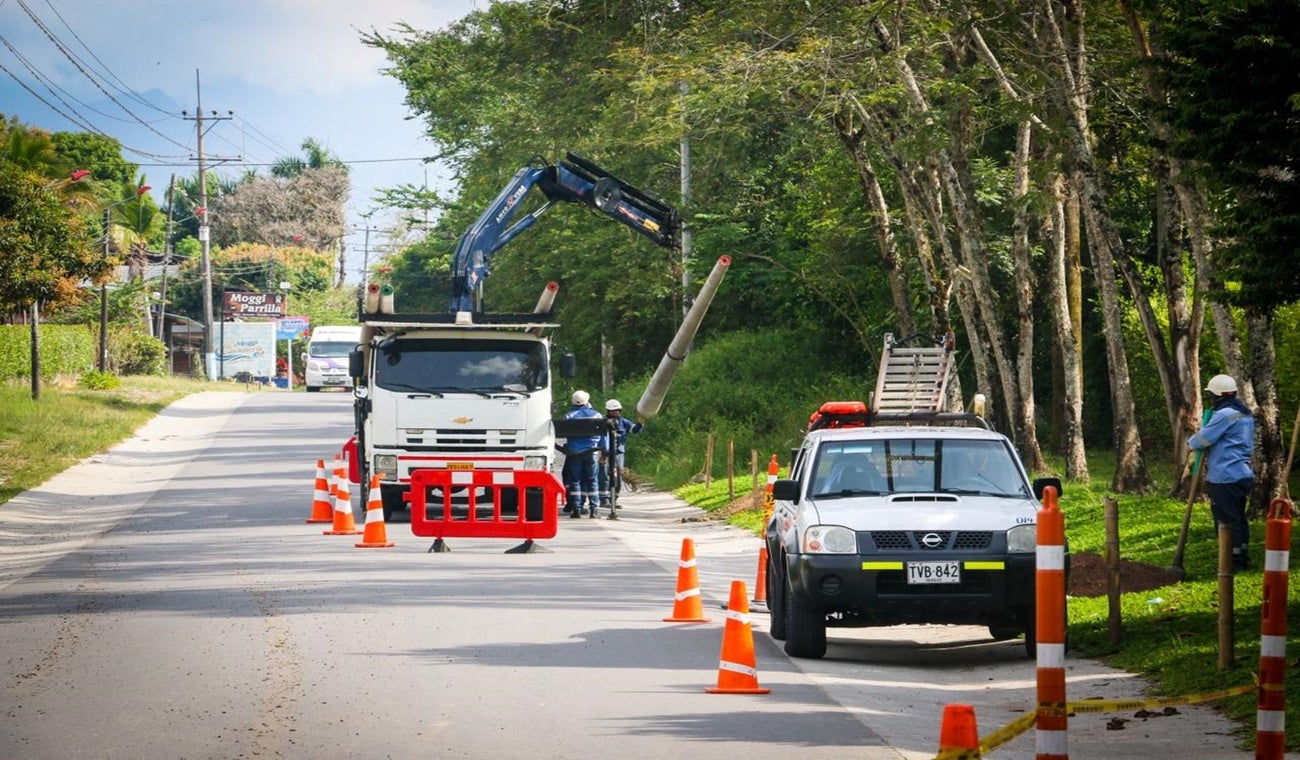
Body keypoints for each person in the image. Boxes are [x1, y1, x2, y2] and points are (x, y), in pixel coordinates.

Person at [1187, 374, 1256, 572]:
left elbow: (1199, 441)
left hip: (1224, 475)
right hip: (1242, 474)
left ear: (1216, 396)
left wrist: (1190, 443)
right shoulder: (1244, 412)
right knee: (1238, 518)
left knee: (1225, 519)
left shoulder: (1224, 415)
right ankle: (1240, 555)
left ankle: (1231, 561)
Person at [561, 390, 604, 518]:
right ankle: (594, 510)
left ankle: (576, 510)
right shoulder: (596, 415)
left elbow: (563, 433)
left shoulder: (569, 416)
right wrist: (604, 450)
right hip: (591, 452)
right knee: (593, 480)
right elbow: (603, 435)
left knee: (575, 480)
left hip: (574, 453)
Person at [596, 399, 643, 514]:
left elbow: (634, 430)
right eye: (613, 411)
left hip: (618, 454)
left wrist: (640, 423)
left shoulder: (623, 422)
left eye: (617, 410)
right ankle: (603, 500)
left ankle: (613, 500)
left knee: (617, 477)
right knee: (604, 477)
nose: (616, 413)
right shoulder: (602, 421)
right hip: (605, 453)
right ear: (608, 411)